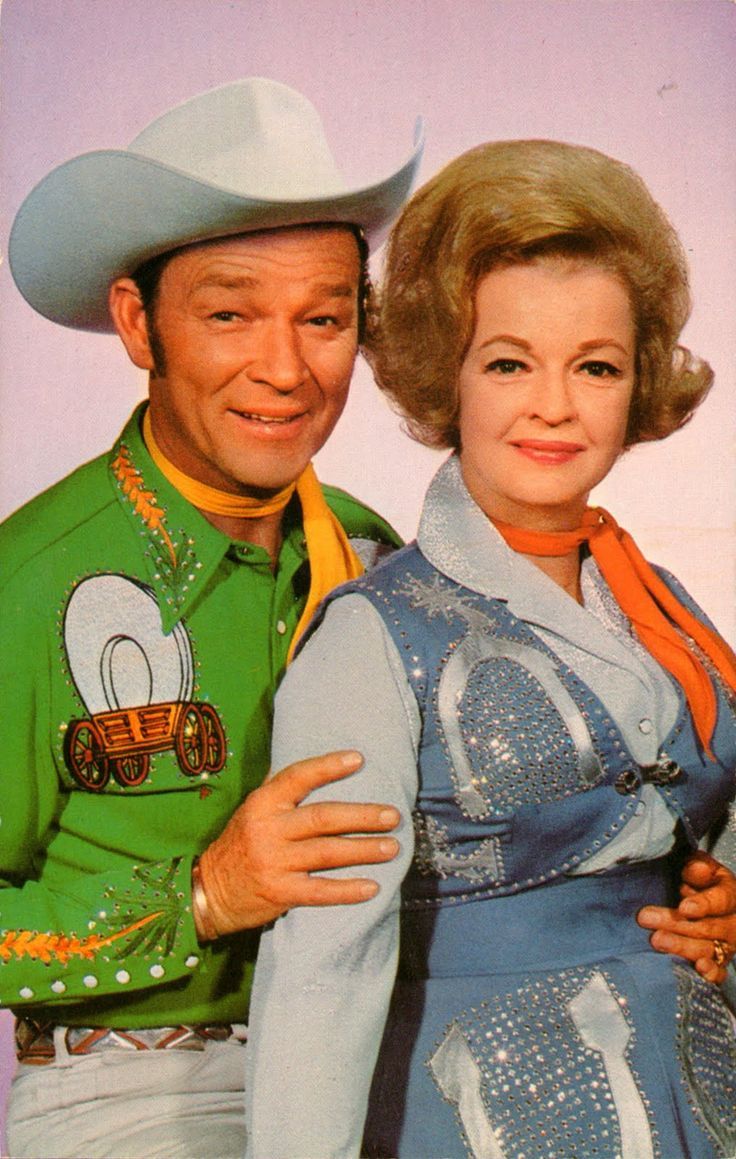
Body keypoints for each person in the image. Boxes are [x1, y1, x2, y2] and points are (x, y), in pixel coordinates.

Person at [245, 140, 736, 1158]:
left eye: (594, 366)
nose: (554, 404)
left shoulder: (663, 606)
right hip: (477, 1119)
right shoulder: (370, 636)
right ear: (448, 375)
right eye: (509, 362)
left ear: (636, 383)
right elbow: (324, 971)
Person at [0, 77, 423, 1159]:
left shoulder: (374, 553)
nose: (285, 370)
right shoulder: (27, 581)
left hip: (378, 1062)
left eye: (323, 318)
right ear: (138, 322)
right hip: (143, 1096)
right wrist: (197, 895)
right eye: (230, 313)